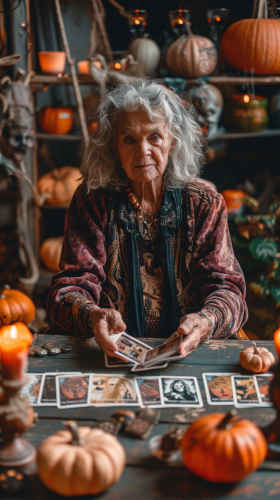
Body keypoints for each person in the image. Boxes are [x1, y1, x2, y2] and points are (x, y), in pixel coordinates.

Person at [46, 79, 248, 360]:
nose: (143, 150)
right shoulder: (93, 200)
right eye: (129, 139)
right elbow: (69, 289)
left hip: (191, 352)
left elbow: (227, 289)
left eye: (154, 136)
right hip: (109, 351)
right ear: (113, 147)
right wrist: (93, 317)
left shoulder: (203, 203)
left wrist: (204, 322)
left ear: (172, 140)